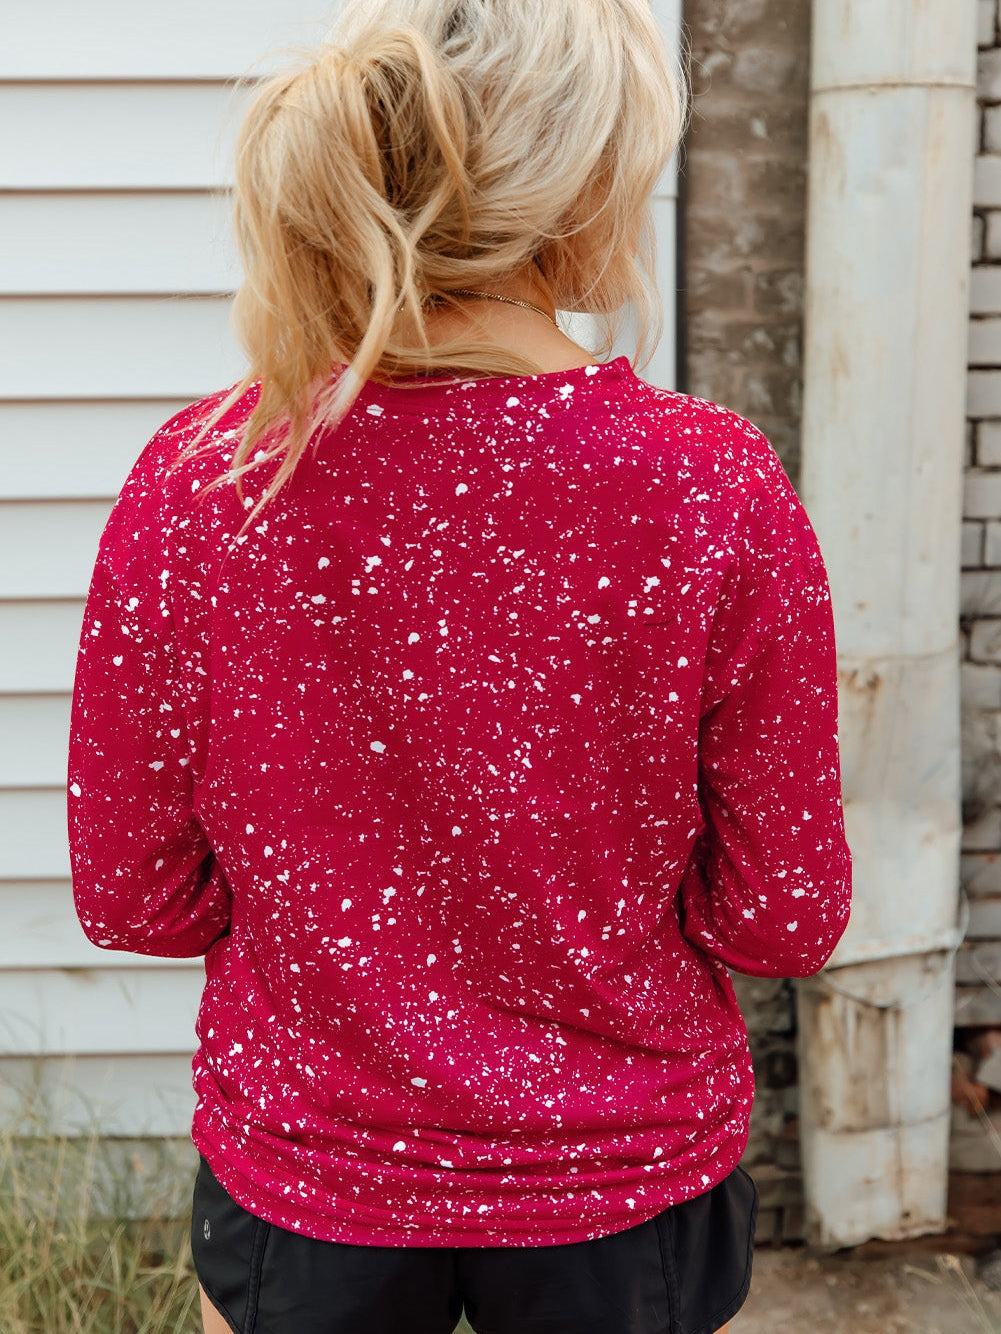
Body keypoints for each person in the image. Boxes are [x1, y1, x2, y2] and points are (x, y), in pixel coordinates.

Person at [66, 1, 852, 1331]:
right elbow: (782, 917)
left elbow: (137, 899)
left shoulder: (205, 483)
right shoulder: (710, 487)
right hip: (623, 1191)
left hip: (309, 1186)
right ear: (583, 193)